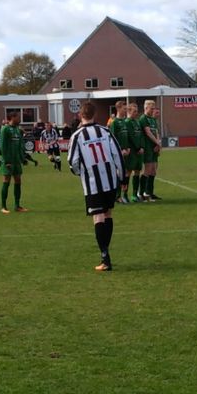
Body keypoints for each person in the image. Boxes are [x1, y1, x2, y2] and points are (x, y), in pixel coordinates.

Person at [68, 102, 125, 272]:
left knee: (98, 216)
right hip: (110, 180)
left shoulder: (77, 136)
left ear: (80, 115)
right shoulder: (105, 131)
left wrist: (81, 173)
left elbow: (72, 162)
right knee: (108, 213)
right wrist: (121, 178)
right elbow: (117, 154)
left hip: (93, 183)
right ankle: (106, 253)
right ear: (95, 114)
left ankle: (105, 257)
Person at [0, 112, 28, 214]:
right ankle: (3, 206)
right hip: (8, 161)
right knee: (6, 180)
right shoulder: (5, 129)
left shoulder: (17, 130)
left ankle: (17, 206)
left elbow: (20, 145)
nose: (19, 119)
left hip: (16, 161)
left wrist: (22, 158)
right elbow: (3, 146)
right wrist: (6, 161)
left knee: (18, 180)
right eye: (18, 117)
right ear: (12, 118)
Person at [137, 100, 162, 201]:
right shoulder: (143, 118)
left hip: (154, 148)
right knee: (147, 170)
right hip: (147, 148)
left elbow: (155, 132)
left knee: (153, 171)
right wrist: (157, 142)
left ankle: (149, 193)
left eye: (154, 108)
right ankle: (141, 192)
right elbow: (148, 132)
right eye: (151, 108)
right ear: (146, 108)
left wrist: (158, 145)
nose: (153, 110)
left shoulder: (152, 119)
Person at [109, 101, 133, 203]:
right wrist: (120, 151)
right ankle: (117, 196)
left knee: (127, 173)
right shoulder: (114, 123)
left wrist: (128, 148)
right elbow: (113, 139)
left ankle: (125, 195)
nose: (125, 110)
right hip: (119, 153)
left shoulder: (124, 122)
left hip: (126, 152)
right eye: (124, 109)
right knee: (119, 174)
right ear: (118, 109)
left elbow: (126, 137)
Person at [124, 103, 145, 202]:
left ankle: (134, 195)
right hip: (132, 152)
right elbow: (130, 137)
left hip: (139, 152)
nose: (136, 113)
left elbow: (141, 136)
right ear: (129, 112)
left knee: (137, 172)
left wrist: (142, 147)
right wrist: (137, 148)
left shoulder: (137, 122)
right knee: (128, 172)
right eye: (134, 111)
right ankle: (124, 195)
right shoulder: (127, 122)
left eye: (137, 111)